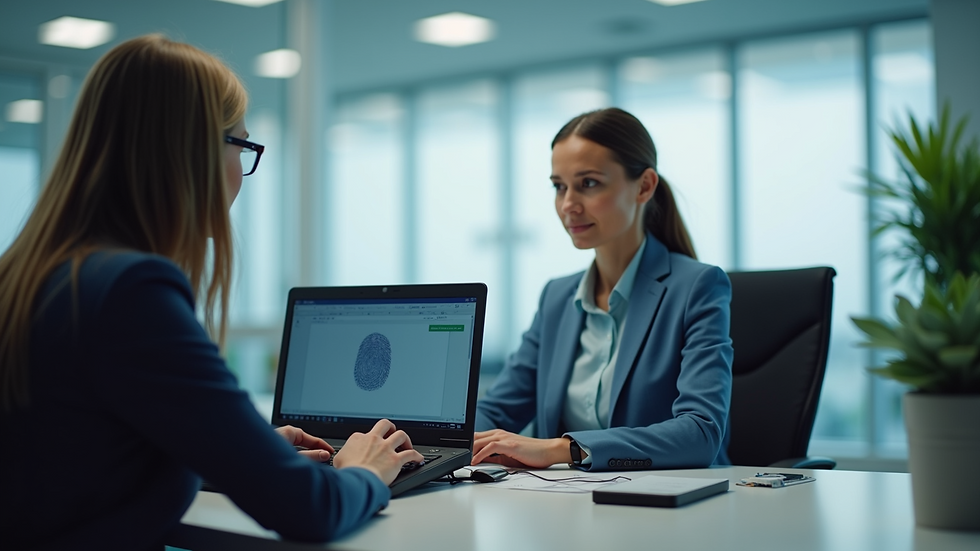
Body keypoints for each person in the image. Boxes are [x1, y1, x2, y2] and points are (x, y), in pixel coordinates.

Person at [0, 35, 422, 550]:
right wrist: (365, 473)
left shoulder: (32, 275)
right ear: (193, 152)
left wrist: (240, 449)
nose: (242, 173)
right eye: (242, 146)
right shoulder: (132, 293)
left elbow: (80, 461)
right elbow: (309, 509)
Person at [472, 107, 733, 471]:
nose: (568, 205)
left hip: (670, 507)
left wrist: (560, 450)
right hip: (568, 505)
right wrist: (431, 441)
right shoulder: (557, 298)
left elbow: (701, 433)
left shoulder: (697, 287)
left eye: (589, 184)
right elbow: (500, 409)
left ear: (644, 186)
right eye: (559, 186)